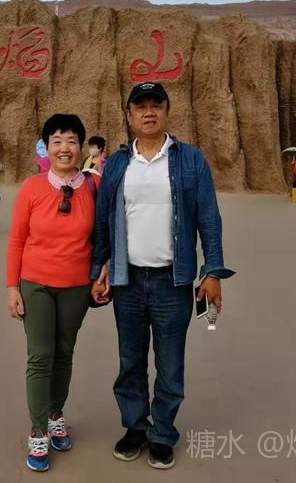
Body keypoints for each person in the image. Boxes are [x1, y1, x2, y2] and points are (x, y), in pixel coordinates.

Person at [90, 82, 234, 470]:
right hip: (128, 281)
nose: (149, 112)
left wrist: (213, 270)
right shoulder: (118, 164)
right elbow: (103, 221)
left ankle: (163, 433)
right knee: (131, 361)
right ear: (129, 115)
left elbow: (208, 217)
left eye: (157, 105)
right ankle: (135, 427)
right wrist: (98, 269)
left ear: (167, 112)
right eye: (141, 107)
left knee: (170, 365)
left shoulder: (189, 159)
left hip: (173, 281)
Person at [6, 114, 100, 472]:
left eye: (72, 141)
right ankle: (38, 429)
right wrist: (12, 287)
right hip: (36, 285)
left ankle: (56, 412)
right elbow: (17, 239)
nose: (65, 148)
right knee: (40, 357)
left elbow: (102, 237)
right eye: (57, 140)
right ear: (47, 147)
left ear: (81, 147)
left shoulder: (93, 186)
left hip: (76, 286)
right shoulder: (31, 187)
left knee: (64, 353)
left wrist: (102, 274)